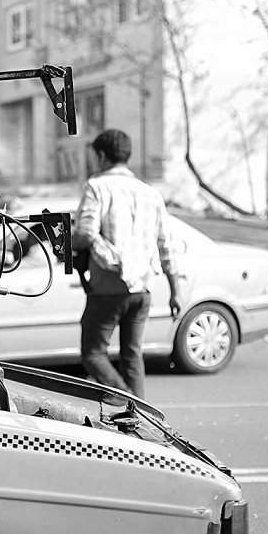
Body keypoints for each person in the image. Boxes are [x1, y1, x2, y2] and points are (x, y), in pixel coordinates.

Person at [73, 129, 181, 398]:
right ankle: (142, 414)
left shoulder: (97, 186)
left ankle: (126, 399)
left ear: (101, 155)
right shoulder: (150, 193)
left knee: (93, 353)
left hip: (108, 286)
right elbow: (165, 245)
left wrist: (77, 242)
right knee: (132, 354)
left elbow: (85, 232)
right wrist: (175, 291)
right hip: (142, 288)